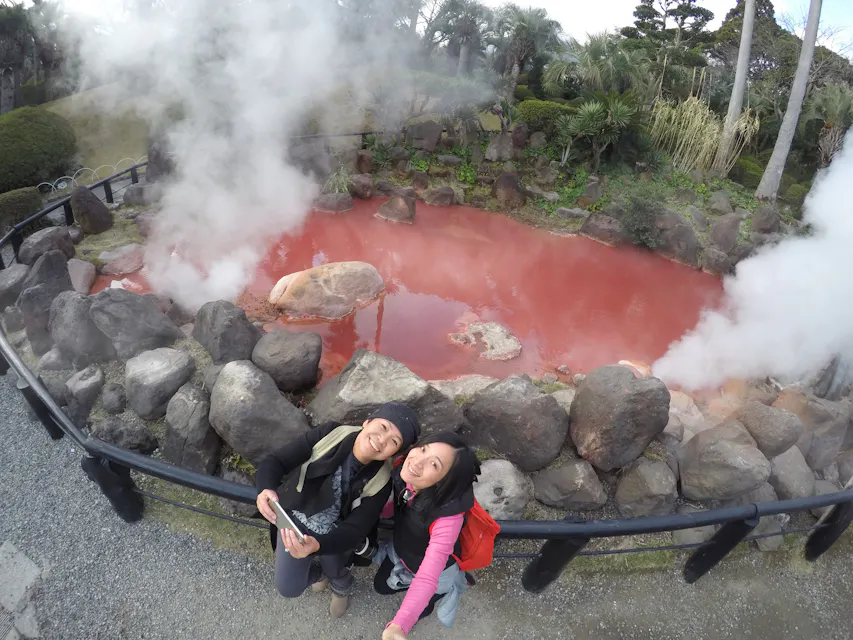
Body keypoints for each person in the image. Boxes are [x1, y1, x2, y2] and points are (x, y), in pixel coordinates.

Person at [254, 403, 421, 618]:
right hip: (294, 519)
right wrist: (265, 489)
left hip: (335, 537)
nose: (382, 439)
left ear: (394, 453)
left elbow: (353, 531)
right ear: (367, 422)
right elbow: (276, 461)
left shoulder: (382, 482)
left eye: (394, 442)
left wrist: (319, 546)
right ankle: (320, 575)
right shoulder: (330, 433)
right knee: (289, 588)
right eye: (383, 427)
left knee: (335, 568)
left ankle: (342, 585)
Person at [374, 431, 481, 639]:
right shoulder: (405, 473)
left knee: (423, 605)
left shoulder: (448, 519)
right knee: (381, 586)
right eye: (423, 449)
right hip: (405, 550)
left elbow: (427, 576)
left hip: (437, 570)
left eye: (434, 465)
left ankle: (437, 597)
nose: (418, 461)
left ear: (445, 481)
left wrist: (400, 625)